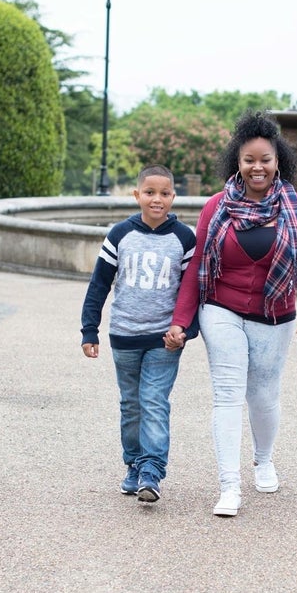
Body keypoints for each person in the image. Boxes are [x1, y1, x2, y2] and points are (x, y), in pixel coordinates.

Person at [166, 111, 297, 518]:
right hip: (222, 308)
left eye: (265, 159)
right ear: (237, 161)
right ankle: (229, 485)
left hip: (275, 314)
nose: (257, 167)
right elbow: (198, 266)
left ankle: (264, 459)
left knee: (264, 396)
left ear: (279, 162)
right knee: (227, 392)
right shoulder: (217, 206)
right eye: (249, 159)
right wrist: (181, 321)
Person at [81, 164, 197, 503]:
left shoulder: (184, 239)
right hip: (124, 337)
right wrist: (90, 329)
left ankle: (152, 471)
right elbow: (99, 285)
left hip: (165, 340)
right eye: (149, 192)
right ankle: (133, 465)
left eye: (164, 193)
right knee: (131, 405)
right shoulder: (120, 235)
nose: (156, 199)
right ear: (137, 195)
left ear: (174, 197)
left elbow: (193, 292)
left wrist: (186, 330)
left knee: (154, 401)